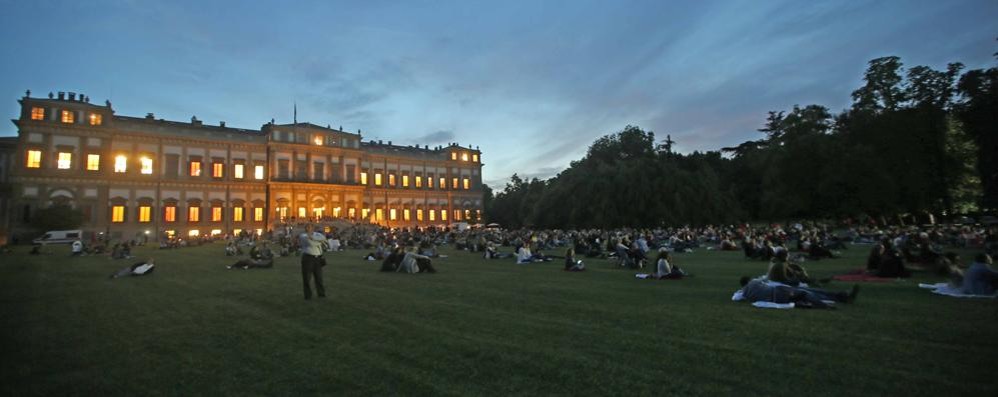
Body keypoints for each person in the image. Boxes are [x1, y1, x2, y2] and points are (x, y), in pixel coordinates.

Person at [738, 276, 859, 309]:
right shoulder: (753, 283)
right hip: (780, 292)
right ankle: (840, 298)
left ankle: (840, 297)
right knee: (809, 292)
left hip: (778, 296)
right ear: (749, 280)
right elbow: (766, 280)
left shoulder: (745, 292)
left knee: (808, 293)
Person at [299, 224, 327, 300]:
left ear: (313, 228)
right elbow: (311, 243)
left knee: (319, 277)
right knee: (307, 278)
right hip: (308, 258)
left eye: (309, 227)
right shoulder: (303, 236)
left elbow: (324, 238)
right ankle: (308, 295)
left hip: (318, 258)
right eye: (306, 227)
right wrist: (320, 242)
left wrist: (313, 238)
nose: (308, 229)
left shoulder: (317, 234)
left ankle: (321, 294)